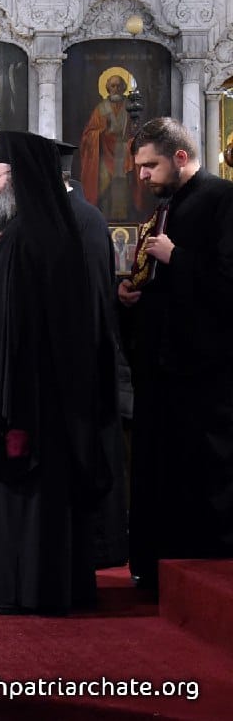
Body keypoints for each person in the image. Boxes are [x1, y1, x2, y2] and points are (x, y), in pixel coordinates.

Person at [0, 131, 109, 615]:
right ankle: (37, 583)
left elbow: (16, 334)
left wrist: (5, 405)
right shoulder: (45, 234)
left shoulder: (24, 240)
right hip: (37, 397)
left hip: (21, 400)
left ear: (22, 181)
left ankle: (17, 585)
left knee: (23, 493)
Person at [118, 117, 233, 590]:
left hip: (204, 374)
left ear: (180, 158)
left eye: (149, 166)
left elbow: (228, 282)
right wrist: (130, 292)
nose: (141, 176)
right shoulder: (168, 206)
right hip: (162, 369)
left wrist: (176, 257)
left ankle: (197, 569)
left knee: (200, 474)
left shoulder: (223, 200)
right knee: (157, 470)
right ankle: (154, 567)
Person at [58, 141, 129, 569]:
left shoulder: (83, 220)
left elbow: (90, 299)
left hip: (84, 364)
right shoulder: (72, 218)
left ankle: (101, 546)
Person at [79, 73, 138, 220]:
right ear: (107, 88)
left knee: (122, 190)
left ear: (124, 88)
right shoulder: (101, 109)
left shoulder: (130, 107)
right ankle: (103, 221)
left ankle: (121, 222)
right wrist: (101, 132)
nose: (116, 89)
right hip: (104, 155)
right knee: (103, 187)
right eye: (112, 86)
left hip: (123, 154)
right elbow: (87, 135)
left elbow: (135, 132)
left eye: (119, 85)